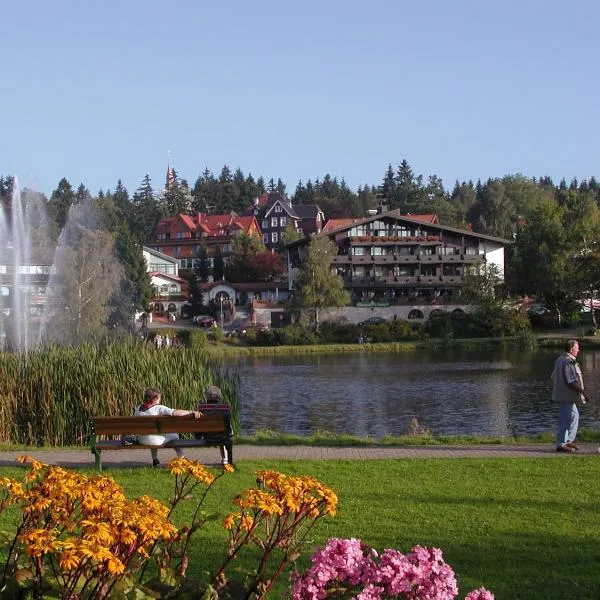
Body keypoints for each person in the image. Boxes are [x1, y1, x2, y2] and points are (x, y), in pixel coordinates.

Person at [135, 388, 203, 467]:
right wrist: (191, 412)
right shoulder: (159, 408)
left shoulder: (138, 408)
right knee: (175, 435)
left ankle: (155, 459)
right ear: (155, 399)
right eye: (159, 398)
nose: (160, 400)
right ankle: (182, 457)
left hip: (142, 440)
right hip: (155, 441)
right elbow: (175, 413)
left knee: (152, 435)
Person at [552, 339, 589, 453]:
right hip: (566, 396)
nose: (579, 349)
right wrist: (583, 392)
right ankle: (561, 445)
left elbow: (553, 377)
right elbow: (570, 381)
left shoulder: (560, 359)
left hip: (564, 395)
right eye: (577, 347)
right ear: (571, 349)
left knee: (574, 416)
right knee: (566, 419)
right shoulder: (568, 362)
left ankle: (568, 440)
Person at [197, 385, 230, 466]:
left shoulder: (202, 407)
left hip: (207, 436)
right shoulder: (226, 407)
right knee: (225, 429)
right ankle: (225, 459)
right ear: (219, 396)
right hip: (222, 436)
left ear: (207, 396)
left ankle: (225, 459)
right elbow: (228, 421)